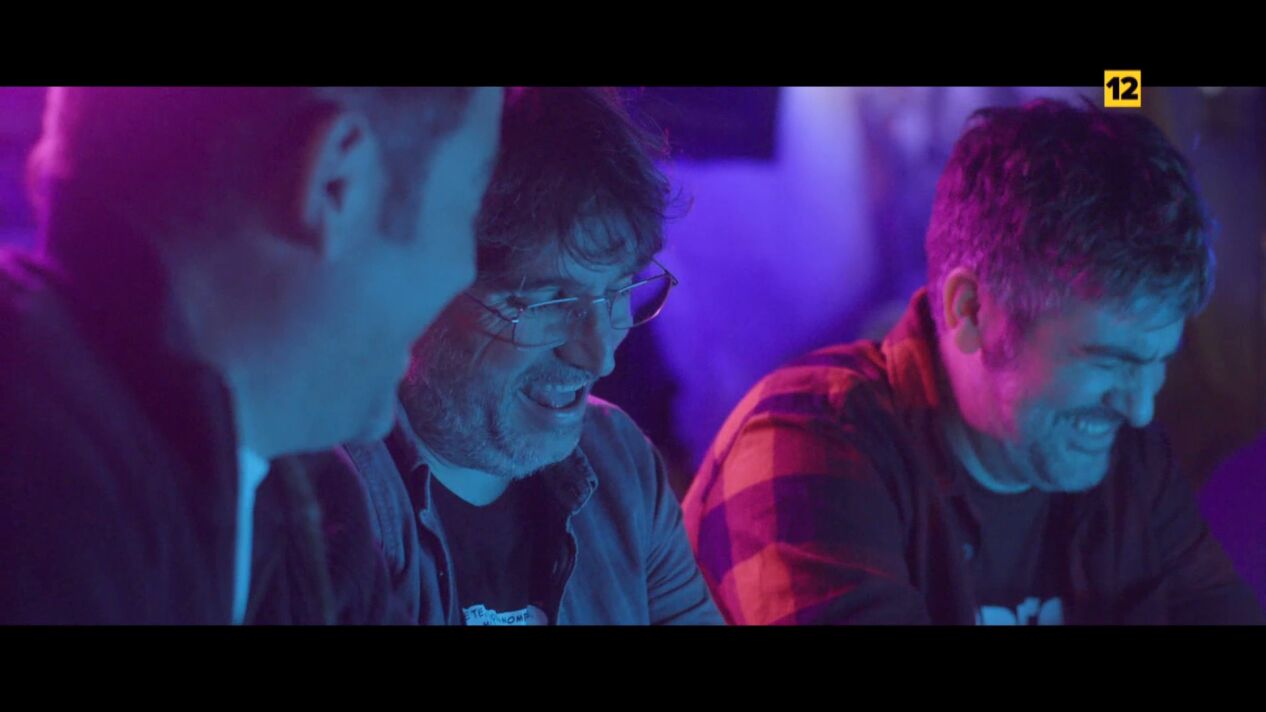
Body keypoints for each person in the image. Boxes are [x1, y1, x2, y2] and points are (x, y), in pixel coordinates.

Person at [682, 98, 1265, 624]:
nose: (1140, 409)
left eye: (1158, 361)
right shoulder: (804, 439)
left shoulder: (1126, 461)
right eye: (1107, 359)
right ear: (970, 311)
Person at [1, 86, 501, 623]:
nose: (464, 272)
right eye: (468, 207)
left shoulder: (316, 513)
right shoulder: (42, 490)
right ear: (337, 183)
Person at [340, 87, 722, 624]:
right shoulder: (334, 491)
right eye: (548, 302)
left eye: (620, 291)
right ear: (420, 284)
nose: (599, 358)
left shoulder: (620, 462)